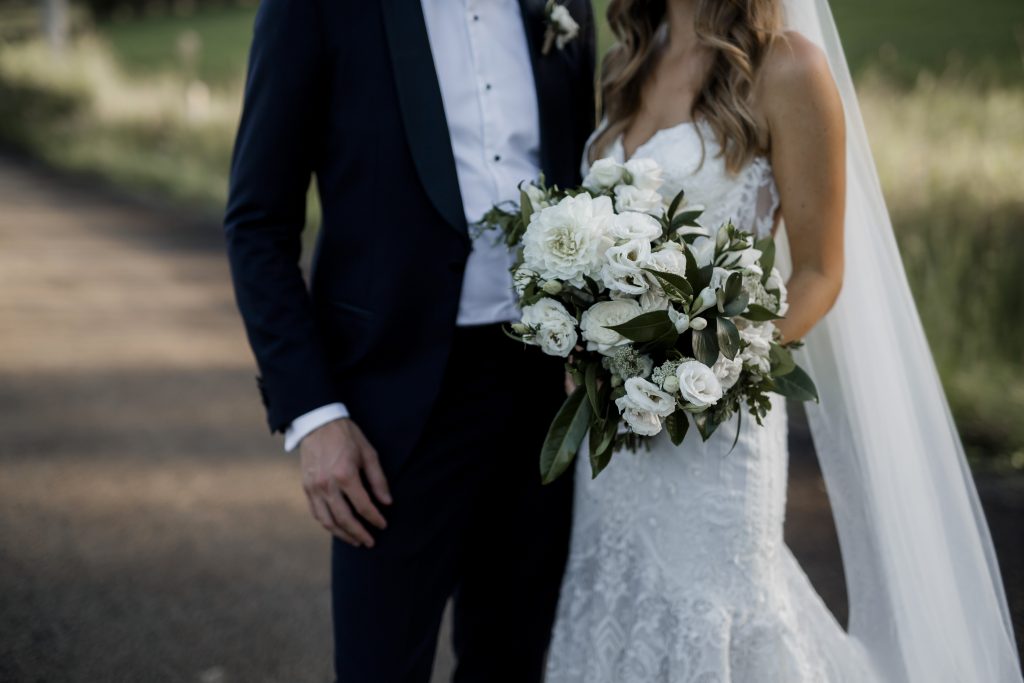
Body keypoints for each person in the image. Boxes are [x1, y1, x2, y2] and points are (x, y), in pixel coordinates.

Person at [544, 0, 1024, 681]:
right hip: (615, 441)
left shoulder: (788, 67)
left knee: (720, 622)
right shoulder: (628, 61)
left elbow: (821, 271)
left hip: (713, 428)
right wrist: (586, 339)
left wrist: (702, 365)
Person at [223, 1, 595, 680]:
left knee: (513, 659)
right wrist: (315, 415)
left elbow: (585, 169)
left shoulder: (562, 5)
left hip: (544, 396)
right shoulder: (316, 12)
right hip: (393, 405)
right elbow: (257, 221)